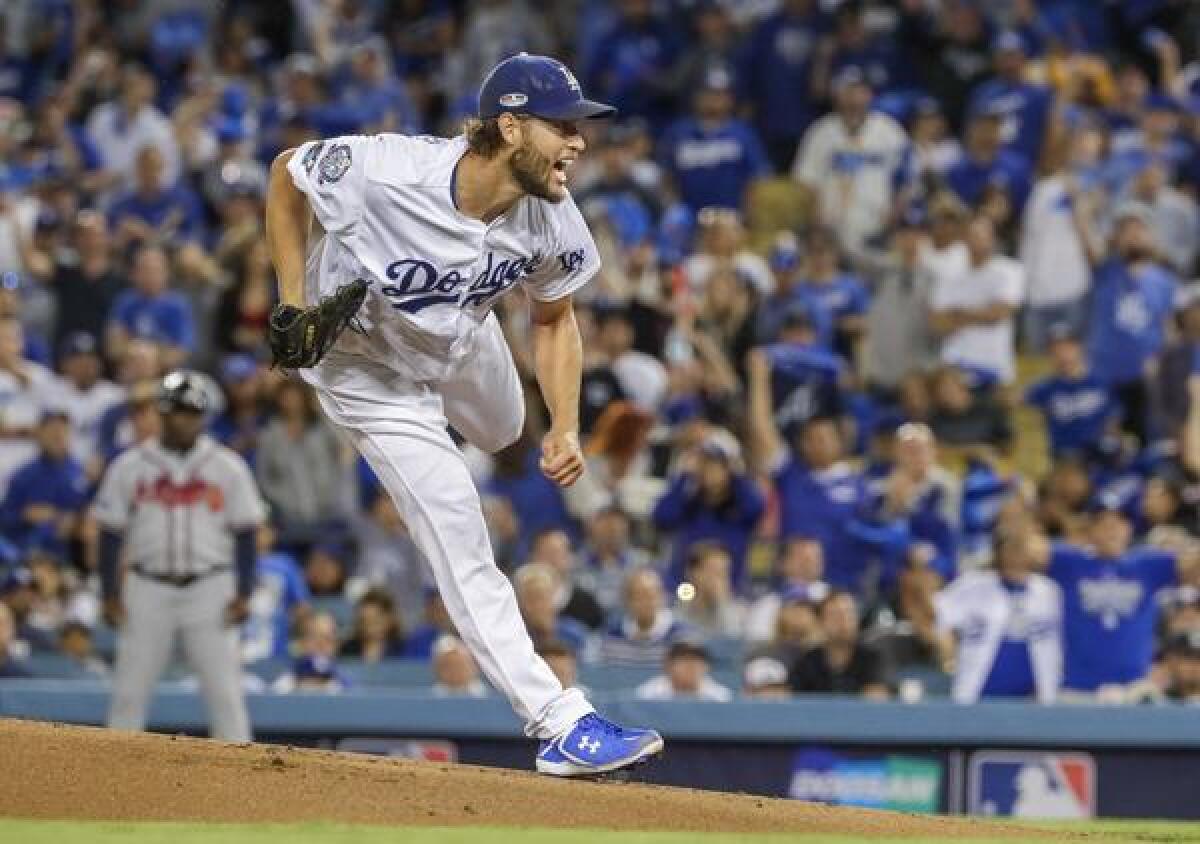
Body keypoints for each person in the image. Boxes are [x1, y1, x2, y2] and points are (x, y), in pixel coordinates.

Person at [264, 52, 662, 776]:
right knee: (458, 527)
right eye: (563, 126)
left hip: (461, 335)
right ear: (509, 126)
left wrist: (566, 424)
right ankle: (559, 721)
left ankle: (496, 412)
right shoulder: (387, 170)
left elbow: (553, 318)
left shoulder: (550, 213)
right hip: (365, 372)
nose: (579, 142)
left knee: (507, 429)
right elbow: (289, 172)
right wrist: (291, 298)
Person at [93, 371, 266, 742]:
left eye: (191, 412)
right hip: (147, 586)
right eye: (176, 411)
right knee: (128, 694)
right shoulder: (130, 465)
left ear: (203, 417)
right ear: (161, 413)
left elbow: (247, 532)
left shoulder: (227, 466)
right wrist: (108, 592)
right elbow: (109, 533)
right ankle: (113, 784)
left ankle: (240, 787)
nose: (184, 419)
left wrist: (245, 592)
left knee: (225, 696)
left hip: (210, 588)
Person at [918, 530, 1063, 703]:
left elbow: (1056, 642)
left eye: (1020, 552)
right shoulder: (973, 585)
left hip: (1033, 696)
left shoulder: (1048, 591)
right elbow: (936, 615)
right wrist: (945, 646)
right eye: (1009, 551)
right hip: (979, 691)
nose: (1015, 559)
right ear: (999, 554)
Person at [635, 639, 734, 702]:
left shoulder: (720, 697)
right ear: (669, 666)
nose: (691, 666)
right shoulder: (649, 694)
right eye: (685, 660)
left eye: (697, 660)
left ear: (706, 667)